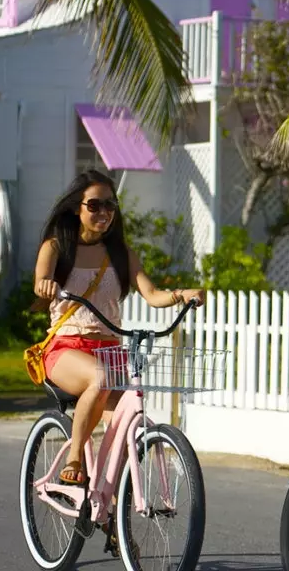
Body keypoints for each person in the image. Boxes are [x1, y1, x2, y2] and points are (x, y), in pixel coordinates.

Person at [33, 169, 206, 486]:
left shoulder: (121, 254)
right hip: (67, 349)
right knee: (98, 378)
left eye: (110, 206)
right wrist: (44, 284)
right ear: (77, 207)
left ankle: (111, 520)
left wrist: (182, 295)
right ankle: (74, 459)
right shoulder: (57, 247)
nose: (104, 213)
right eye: (95, 205)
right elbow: (41, 280)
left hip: (110, 351)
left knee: (126, 430)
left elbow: (152, 294)